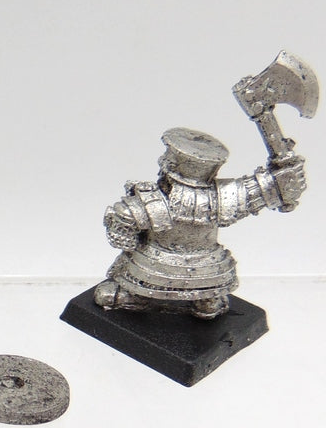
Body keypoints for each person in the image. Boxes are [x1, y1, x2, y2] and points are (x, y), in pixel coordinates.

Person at [94, 127, 306, 319]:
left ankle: (140, 295)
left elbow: (123, 234)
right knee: (209, 301)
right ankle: (205, 302)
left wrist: (127, 229)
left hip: (153, 268)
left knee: (112, 293)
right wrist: (286, 173)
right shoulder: (225, 195)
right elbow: (273, 188)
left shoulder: (153, 200)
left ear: (170, 165)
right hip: (209, 269)